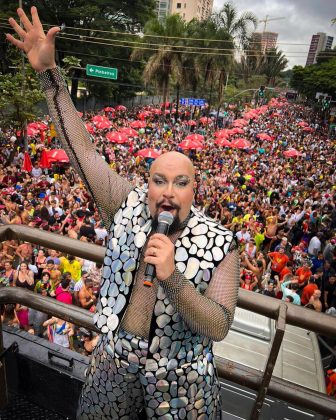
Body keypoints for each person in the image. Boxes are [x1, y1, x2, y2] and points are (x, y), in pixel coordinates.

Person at [7, 7, 240, 419]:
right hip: (112, 365)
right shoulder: (125, 203)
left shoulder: (221, 241)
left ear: (194, 190)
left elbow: (219, 326)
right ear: (146, 184)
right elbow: (82, 150)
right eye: (159, 180)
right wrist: (49, 74)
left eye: (181, 183)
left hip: (181, 383)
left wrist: (175, 280)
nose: (168, 193)